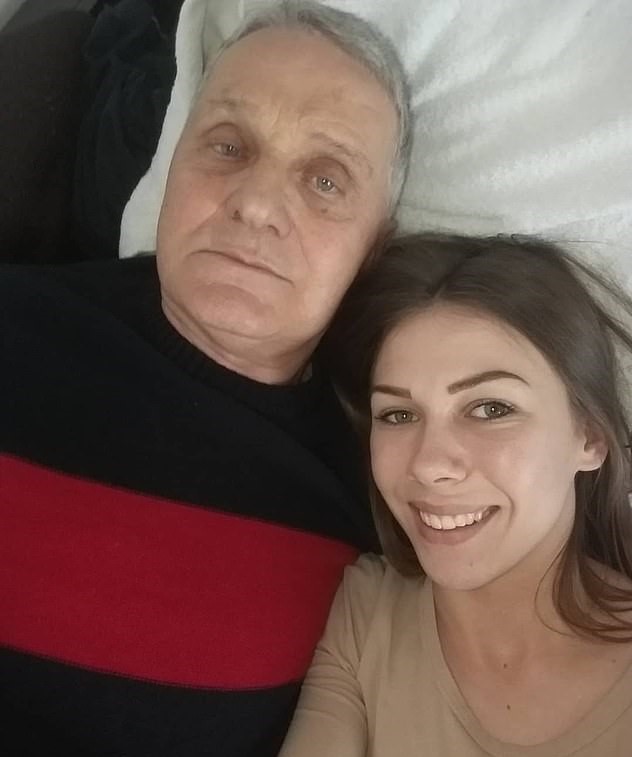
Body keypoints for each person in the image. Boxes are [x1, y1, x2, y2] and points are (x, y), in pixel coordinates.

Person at [0, 2, 411, 755]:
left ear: (375, 248)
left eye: (325, 180)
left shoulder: (388, 490)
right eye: (227, 145)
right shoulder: (17, 320)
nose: (255, 204)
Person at [279, 234, 632, 756]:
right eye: (398, 414)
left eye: (490, 409)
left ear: (590, 437)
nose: (429, 464)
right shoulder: (367, 613)